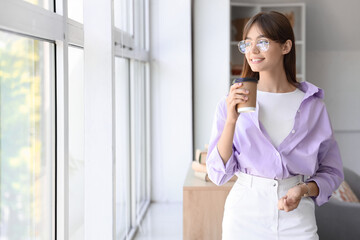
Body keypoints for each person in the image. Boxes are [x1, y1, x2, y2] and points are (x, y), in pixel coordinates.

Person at [206, 11, 344, 240]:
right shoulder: (230, 103)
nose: (252, 51)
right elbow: (217, 174)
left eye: (262, 42)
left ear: (286, 46)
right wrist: (231, 120)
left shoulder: (313, 106)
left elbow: (332, 171)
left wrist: (304, 189)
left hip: (297, 215)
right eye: (247, 44)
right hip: (244, 215)